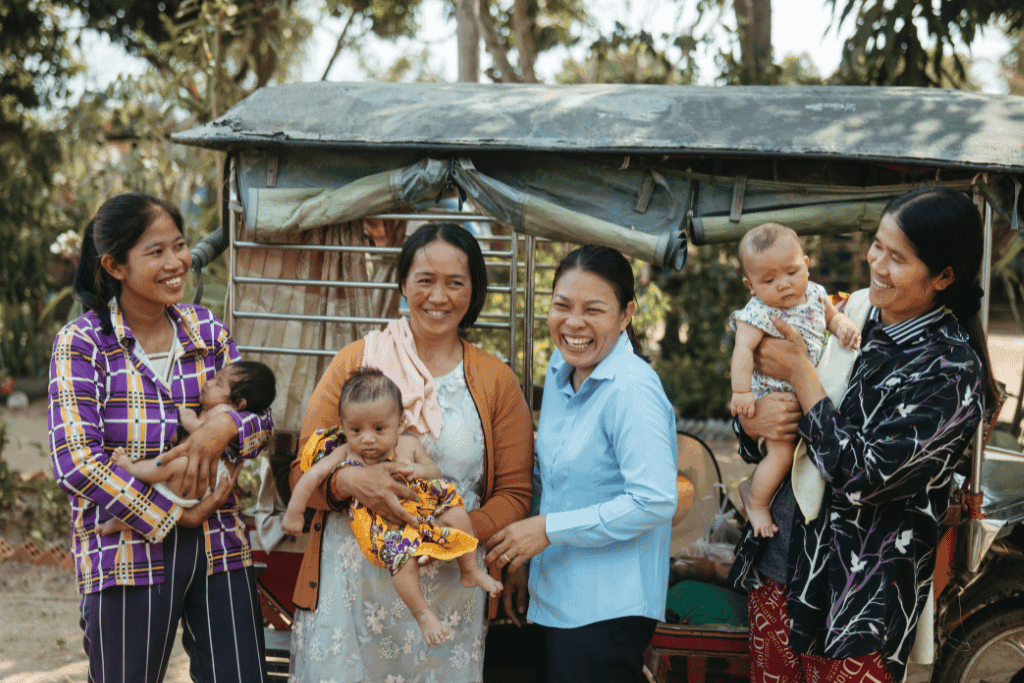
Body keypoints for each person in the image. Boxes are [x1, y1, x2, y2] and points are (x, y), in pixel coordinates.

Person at [728, 186, 998, 683]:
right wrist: (753, 423)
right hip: (780, 565)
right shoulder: (847, 313)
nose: (877, 264)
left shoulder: (950, 372)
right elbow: (763, 419)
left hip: (857, 604)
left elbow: (865, 479)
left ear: (943, 276)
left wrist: (802, 375)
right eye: (877, 245)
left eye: (898, 258)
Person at [288, 222, 533, 683]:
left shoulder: (496, 380)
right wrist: (348, 481)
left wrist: (448, 537)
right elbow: (302, 469)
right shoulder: (356, 363)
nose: (438, 296)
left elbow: (515, 494)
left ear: (474, 291)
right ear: (403, 283)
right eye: (425, 280)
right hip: (351, 592)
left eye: (454, 282)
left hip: (449, 590)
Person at [48, 192, 274, 683]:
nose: (176, 263)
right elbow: (75, 461)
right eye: (156, 251)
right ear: (115, 266)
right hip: (126, 551)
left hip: (218, 545)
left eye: (179, 245)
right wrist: (172, 514)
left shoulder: (207, 332)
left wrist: (226, 427)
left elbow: (262, 422)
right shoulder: (83, 344)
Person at [484, 245, 678, 683]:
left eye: (593, 309)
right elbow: (551, 478)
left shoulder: (632, 390)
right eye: (562, 306)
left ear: (626, 315)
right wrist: (523, 561)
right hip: (557, 596)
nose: (573, 323)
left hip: (608, 609)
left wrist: (547, 530)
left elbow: (654, 501)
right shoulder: (562, 368)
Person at [286, 367, 502, 647]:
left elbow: (434, 471)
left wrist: (417, 470)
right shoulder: (346, 452)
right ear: (343, 425)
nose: (367, 438)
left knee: (458, 514)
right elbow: (311, 476)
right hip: (385, 524)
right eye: (356, 430)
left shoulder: (409, 445)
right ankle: (422, 613)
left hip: (422, 506)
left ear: (399, 423)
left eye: (379, 429)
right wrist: (295, 512)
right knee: (402, 559)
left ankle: (470, 569)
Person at [729, 222, 861, 537]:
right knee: (783, 455)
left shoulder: (815, 294)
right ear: (750, 285)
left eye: (791, 272)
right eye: (769, 280)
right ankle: (755, 499)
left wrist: (843, 326)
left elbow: (832, 317)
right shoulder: (757, 313)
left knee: (802, 457)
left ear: (806, 264)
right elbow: (742, 350)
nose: (784, 285)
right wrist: (742, 392)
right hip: (774, 396)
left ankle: (762, 491)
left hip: (808, 393)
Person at [96, 360, 276, 533]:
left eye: (218, 383)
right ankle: (126, 522)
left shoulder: (224, 411)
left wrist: (186, 417)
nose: (208, 383)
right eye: (214, 377)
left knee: (169, 463)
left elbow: (203, 433)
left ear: (238, 403)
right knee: (157, 490)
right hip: (200, 485)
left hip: (201, 477)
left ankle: (132, 469)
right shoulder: (224, 410)